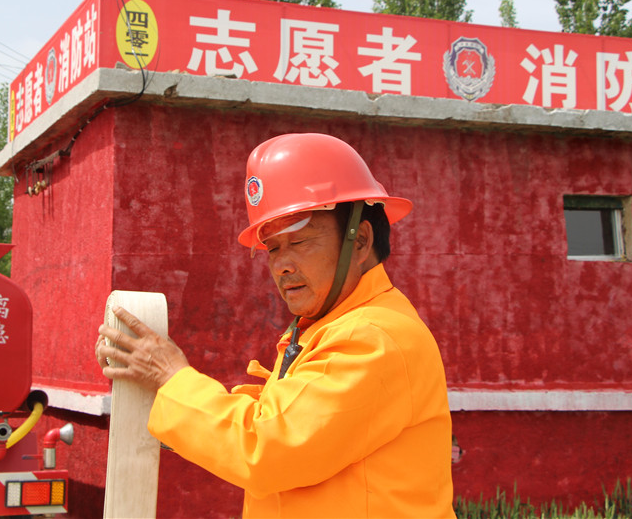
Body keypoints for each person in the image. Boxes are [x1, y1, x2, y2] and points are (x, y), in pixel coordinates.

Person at [95, 133, 454, 518]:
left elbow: (266, 447)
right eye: (273, 248)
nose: (281, 266)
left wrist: (171, 377)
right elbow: (276, 423)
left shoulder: (372, 338)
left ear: (361, 240)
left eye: (299, 242)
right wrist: (150, 388)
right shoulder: (324, 329)